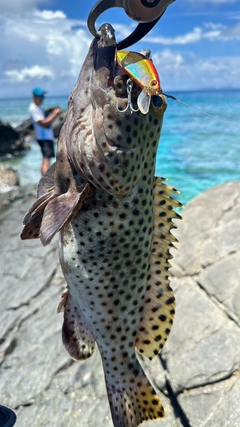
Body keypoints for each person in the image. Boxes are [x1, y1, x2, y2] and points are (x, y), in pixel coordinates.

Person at [29, 87, 62, 175]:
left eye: (42, 97)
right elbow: (43, 123)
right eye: (40, 97)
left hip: (46, 137)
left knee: (47, 159)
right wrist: (54, 114)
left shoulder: (39, 108)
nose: (42, 99)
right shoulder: (34, 108)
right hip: (44, 138)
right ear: (34, 97)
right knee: (46, 160)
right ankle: (45, 182)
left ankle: (45, 180)